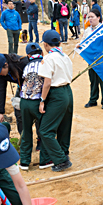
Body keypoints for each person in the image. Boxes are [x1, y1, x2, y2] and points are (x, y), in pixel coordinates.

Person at [36, 30, 74, 172]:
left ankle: (60, 160)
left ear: (46, 44)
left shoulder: (49, 58)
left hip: (56, 93)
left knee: (45, 130)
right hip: (68, 92)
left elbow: (47, 82)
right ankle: (64, 152)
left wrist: (42, 100)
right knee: (65, 126)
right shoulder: (65, 57)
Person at [18, 42, 48, 170]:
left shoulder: (26, 66)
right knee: (44, 130)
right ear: (41, 53)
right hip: (37, 101)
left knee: (26, 131)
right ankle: (44, 160)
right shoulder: (45, 63)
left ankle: (24, 161)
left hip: (24, 101)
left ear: (28, 55)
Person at [0, 53, 30, 134]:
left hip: (34, 88)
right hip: (21, 87)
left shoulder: (23, 64)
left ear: (6, 65)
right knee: (18, 113)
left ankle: (40, 140)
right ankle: (23, 137)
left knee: (34, 112)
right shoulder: (1, 72)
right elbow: (1, 89)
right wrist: (0, 111)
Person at [81, 9, 103, 109]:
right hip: (91, 60)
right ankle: (93, 100)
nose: (90, 19)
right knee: (93, 81)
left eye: (92, 17)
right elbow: (83, 42)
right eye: (89, 17)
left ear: (98, 18)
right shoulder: (87, 30)